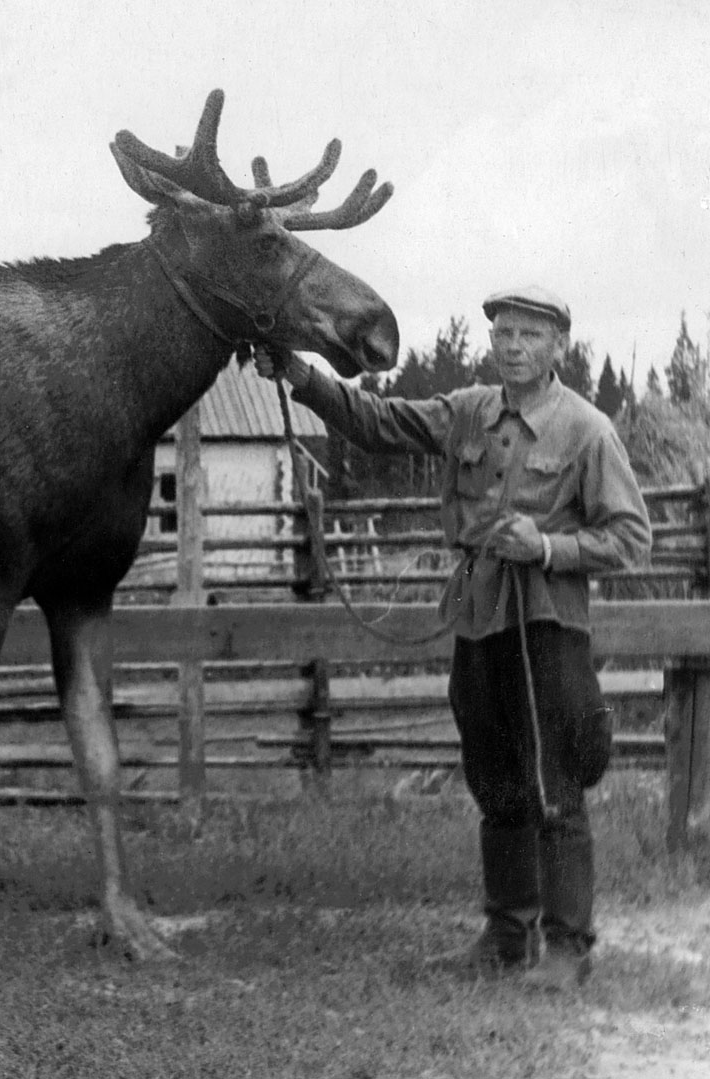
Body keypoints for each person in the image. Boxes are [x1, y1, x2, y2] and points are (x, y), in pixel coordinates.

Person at [256, 286, 651, 990]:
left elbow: (631, 537)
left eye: (529, 334)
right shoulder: (468, 409)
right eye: (502, 332)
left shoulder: (588, 431)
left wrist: (548, 546)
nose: (513, 345)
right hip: (476, 616)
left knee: (553, 784)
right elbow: (377, 422)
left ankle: (567, 949)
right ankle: (507, 935)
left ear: (558, 345)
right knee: (495, 780)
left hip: (546, 625)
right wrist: (301, 376)